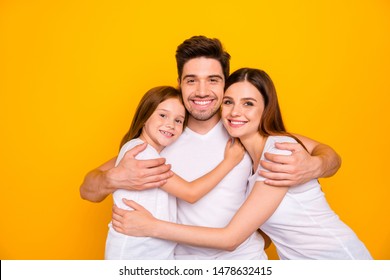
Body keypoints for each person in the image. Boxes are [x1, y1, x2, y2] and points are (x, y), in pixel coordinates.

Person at [80, 35, 342, 259]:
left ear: (225, 83)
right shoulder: (164, 134)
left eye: (213, 80)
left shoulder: (242, 131)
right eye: (191, 80)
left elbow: (330, 156)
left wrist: (315, 165)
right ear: (179, 82)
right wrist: (111, 179)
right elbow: (88, 189)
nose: (202, 91)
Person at [112, 68, 372, 260]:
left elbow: (230, 239)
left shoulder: (279, 153)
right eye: (229, 102)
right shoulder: (251, 158)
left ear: (265, 109)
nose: (236, 112)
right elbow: (94, 181)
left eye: (248, 104)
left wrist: (151, 226)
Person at [105, 85, 245, 259]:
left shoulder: (146, 151)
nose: (170, 124)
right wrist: (229, 162)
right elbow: (190, 193)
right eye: (163, 115)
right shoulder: (142, 154)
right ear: (144, 117)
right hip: (135, 255)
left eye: (178, 121)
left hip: (150, 253)